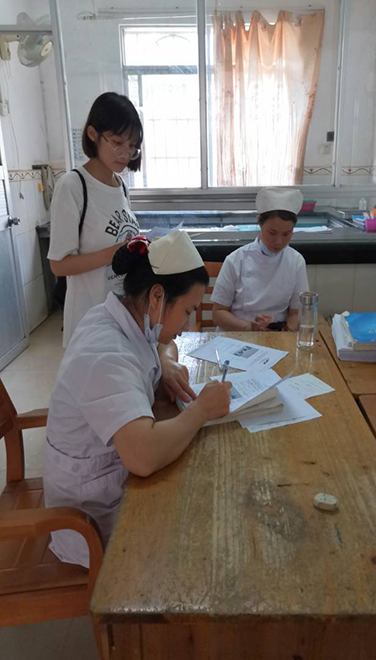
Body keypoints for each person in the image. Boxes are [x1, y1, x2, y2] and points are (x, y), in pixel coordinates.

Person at [43, 231, 231, 568]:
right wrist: (202, 409)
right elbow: (143, 457)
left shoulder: (122, 316)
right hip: (91, 519)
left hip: (114, 480)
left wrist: (167, 364)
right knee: (208, 530)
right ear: (157, 296)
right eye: (187, 311)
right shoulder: (105, 352)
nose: (186, 325)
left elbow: (163, 343)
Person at [48, 92, 143, 347]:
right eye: (117, 142)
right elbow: (58, 265)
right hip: (88, 321)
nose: (125, 153)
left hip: (121, 316)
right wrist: (114, 253)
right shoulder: (73, 185)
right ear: (93, 134)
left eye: (132, 146)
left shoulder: (121, 185)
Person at [211, 188, 309, 332]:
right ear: (260, 223)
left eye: (286, 234)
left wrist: (286, 331)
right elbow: (218, 313)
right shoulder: (236, 260)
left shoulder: (296, 261)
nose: (279, 242)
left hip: (277, 335)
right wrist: (250, 327)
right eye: (272, 233)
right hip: (238, 335)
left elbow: (296, 312)